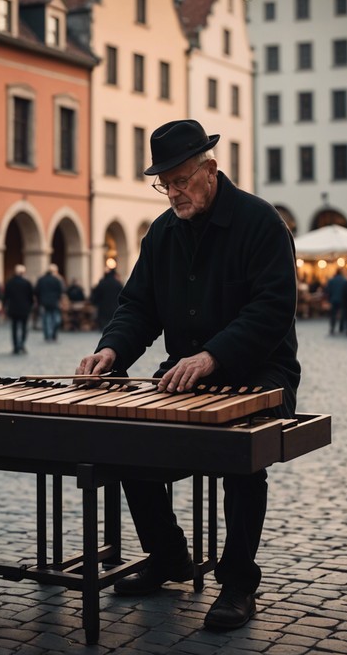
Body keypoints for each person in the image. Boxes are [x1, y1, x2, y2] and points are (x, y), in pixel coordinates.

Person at [75, 119, 300, 631]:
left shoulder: (261, 223)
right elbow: (137, 307)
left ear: (210, 171)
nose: (172, 192)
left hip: (261, 371)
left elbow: (271, 311)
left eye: (180, 180)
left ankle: (239, 581)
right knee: (126, 436)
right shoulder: (162, 232)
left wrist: (213, 356)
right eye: (164, 183)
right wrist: (111, 351)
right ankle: (168, 555)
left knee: (240, 456)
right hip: (187, 375)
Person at [3, 264, 34, 355]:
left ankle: (16, 346)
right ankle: (22, 344)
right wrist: (30, 306)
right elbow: (31, 297)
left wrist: (5, 306)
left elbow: (6, 296)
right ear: (23, 272)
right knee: (24, 328)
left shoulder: (10, 282)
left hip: (13, 309)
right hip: (25, 309)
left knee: (14, 328)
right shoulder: (27, 283)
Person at [35, 263, 64, 342]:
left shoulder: (41, 279)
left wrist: (39, 301)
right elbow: (62, 290)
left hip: (44, 303)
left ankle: (47, 336)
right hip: (55, 302)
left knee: (46, 319)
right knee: (56, 319)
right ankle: (54, 335)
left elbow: (37, 291)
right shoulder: (57, 279)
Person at [325, 269, 347, 335]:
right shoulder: (344, 280)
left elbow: (328, 290)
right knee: (342, 314)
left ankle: (332, 327)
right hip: (342, 300)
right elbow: (346, 291)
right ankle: (341, 327)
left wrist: (329, 299)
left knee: (333, 314)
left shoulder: (332, 281)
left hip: (333, 300)